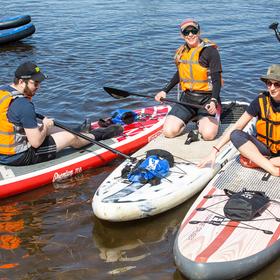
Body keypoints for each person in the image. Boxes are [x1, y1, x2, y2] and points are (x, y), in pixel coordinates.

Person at [0, 61, 123, 166]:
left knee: (44, 126)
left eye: (39, 83)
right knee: (68, 137)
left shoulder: (4, 91)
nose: (38, 87)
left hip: (4, 150)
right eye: (35, 83)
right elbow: (36, 142)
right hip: (18, 156)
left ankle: (78, 131)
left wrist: (45, 126)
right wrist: (46, 126)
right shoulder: (24, 105)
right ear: (21, 82)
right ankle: (99, 134)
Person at [198, 64, 280, 177]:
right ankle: (272, 168)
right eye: (269, 83)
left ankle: (260, 162)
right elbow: (237, 126)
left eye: (277, 84)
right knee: (236, 135)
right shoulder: (261, 101)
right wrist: (214, 151)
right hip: (264, 147)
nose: (272, 88)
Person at [155, 18, 223, 140]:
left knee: (208, 135)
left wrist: (214, 100)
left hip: (207, 100)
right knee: (168, 132)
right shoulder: (182, 52)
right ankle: (191, 118)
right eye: (186, 32)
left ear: (199, 32)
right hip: (187, 99)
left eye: (193, 31)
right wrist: (164, 90)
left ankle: (205, 120)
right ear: (182, 35)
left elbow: (216, 80)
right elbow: (180, 73)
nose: (190, 35)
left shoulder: (210, 51)